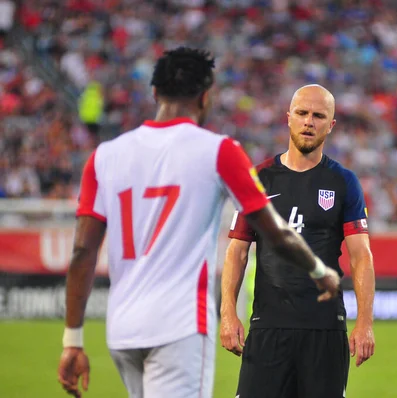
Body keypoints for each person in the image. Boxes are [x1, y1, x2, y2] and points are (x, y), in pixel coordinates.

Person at [56, 48, 340, 398]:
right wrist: (317, 269)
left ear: (155, 92)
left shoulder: (104, 157)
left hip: (123, 327)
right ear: (205, 97)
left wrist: (72, 339)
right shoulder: (218, 151)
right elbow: (275, 231)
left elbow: (83, 250)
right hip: (180, 324)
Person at [220, 84, 375, 398]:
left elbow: (361, 256)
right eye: (302, 113)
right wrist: (228, 314)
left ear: (330, 125)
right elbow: (237, 251)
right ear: (288, 117)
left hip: (326, 327)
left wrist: (365, 322)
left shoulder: (344, 182)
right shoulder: (259, 179)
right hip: (268, 325)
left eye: (319, 116)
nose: (309, 121)